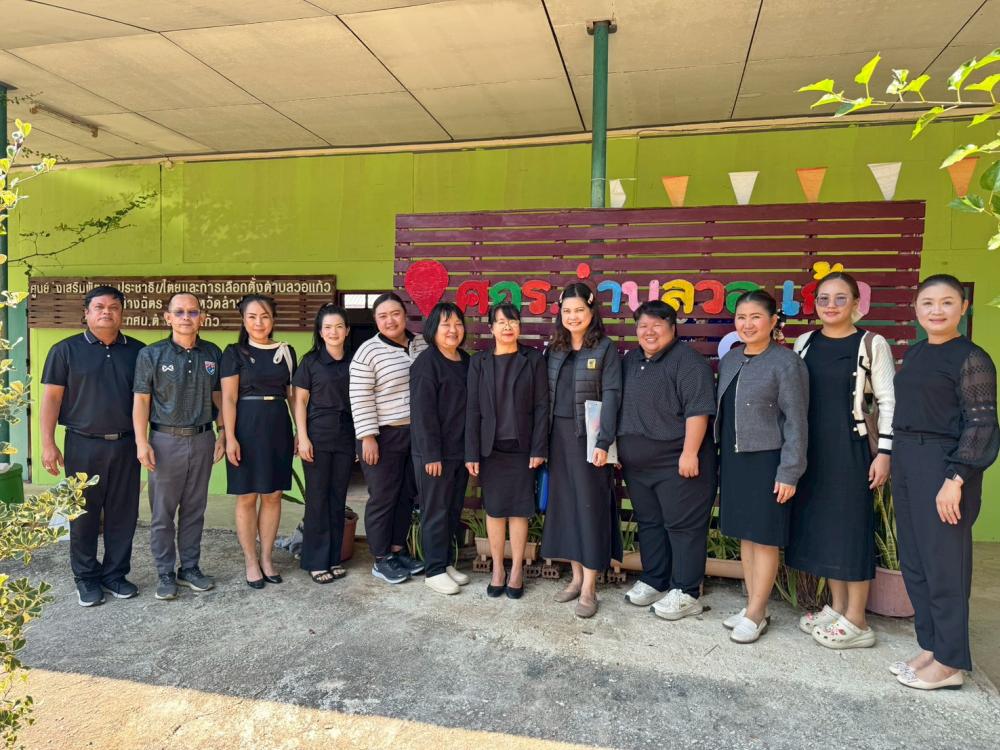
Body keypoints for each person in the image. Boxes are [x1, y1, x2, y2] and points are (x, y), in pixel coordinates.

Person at [890, 274, 997, 690]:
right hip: (907, 460)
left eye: (947, 302)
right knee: (915, 561)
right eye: (928, 303)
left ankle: (951, 663)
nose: (937, 310)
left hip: (944, 465)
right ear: (916, 309)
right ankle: (932, 646)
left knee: (945, 565)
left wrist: (956, 477)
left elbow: (982, 424)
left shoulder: (971, 358)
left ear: (963, 308)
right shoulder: (916, 353)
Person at [787, 272, 895, 649]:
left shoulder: (871, 343)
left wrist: (885, 453)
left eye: (840, 298)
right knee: (826, 530)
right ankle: (837, 607)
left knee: (851, 530)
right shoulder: (804, 342)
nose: (830, 306)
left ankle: (858, 620)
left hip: (851, 448)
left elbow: (887, 401)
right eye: (824, 299)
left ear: (855, 303)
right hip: (812, 449)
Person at [40, 285, 145, 607]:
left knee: (123, 514)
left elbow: (147, 400)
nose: (106, 312)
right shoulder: (65, 350)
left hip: (127, 445)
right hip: (82, 445)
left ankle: (115, 575)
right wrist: (48, 443)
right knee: (83, 514)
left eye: (113, 307)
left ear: (122, 313)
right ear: (86, 313)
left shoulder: (139, 352)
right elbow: (51, 399)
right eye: (99, 307)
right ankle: (85, 578)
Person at [716, 290, 808, 643]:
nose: (748, 324)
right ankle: (753, 606)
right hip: (736, 458)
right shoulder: (731, 359)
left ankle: (757, 613)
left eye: (756, 317)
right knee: (746, 534)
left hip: (769, 459)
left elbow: (796, 421)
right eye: (741, 317)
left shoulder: (786, 363)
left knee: (765, 537)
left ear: (772, 322)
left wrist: (789, 471)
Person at [618, 301, 717, 621]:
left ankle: (686, 591)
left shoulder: (689, 362)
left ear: (673, 328)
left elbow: (698, 410)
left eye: (656, 325)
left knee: (682, 526)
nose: (649, 332)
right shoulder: (631, 360)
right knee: (650, 522)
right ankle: (655, 579)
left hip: (677, 460)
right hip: (638, 464)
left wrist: (690, 453)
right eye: (643, 326)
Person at [133, 292, 225, 601]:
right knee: (163, 512)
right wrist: (141, 441)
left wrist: (223, 432)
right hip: (164, 441)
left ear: (202, 317)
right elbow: (141, 400)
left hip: (202, 439)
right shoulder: (151, 354)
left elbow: (218, 396)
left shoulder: (212, 353)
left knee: (195, 509)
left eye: (193, 312)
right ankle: (164, 572)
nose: (187, 317)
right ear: (168, 317)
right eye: (180, 312)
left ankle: (190, 568)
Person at [541, 282, 622, 619]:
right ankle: (575, 578)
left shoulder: (605, 348)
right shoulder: (555, 349)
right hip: (557, 438)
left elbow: (613, 395)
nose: (573, 316)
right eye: (567, 311)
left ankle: (590, 588)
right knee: (566, 508)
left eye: (579, 310)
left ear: (591, 312)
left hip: (589, 440)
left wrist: (604, 441)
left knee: (589, 509)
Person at [465, 303, 548, 599]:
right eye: (500, 322)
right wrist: (471, 452)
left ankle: (516, 571)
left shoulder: (533, 359)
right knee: (495, 510)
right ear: (491, 328)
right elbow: (472, 409)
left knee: (519, 511)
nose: (507, 326)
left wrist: (539, 447)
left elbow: (542, 406)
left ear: (519, 326)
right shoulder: (479, 362)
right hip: (491, 450)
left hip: (522, 448)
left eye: (512, 321)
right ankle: (498, 569)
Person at [349, 292, 427, 584]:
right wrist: (367, 437)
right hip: (382, 435)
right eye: (382, 316)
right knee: (383, 496)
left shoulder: (421, 343)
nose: (390, 320)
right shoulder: (367, 351)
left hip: (415, 433)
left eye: (395, 314)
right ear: (375, 320)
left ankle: (397, 550)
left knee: (406, 494)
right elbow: (359, 397)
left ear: (405, 315)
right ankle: (381, 558)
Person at [221, 294, 296, 589]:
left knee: (273, 495)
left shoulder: (286, 352)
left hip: (278, 427)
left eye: (264, 316)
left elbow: (292, 397)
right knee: (247, 496)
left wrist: (300, 433)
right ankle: (251, 561)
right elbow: (228, 398)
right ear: (243, 320)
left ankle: (267, 558)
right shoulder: (234, 353)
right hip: (245, 428)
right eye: (252, 317)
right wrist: (230, 437)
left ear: (273, 319)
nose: (259, 323)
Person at [410, 303, 472, 595]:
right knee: (435, 511)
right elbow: (423, 413)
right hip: (434, 454)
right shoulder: (427, 363)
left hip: (459, 451)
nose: (452, 330)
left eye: (458, 324)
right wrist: (431, 454)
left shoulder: (466, 360)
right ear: (433, 329)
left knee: (452, 509)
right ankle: (433, 571)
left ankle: (445, 563)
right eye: (446, 324)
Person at [293, 304, 355, 584]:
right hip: (317, 436)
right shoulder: (310, 362)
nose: (333, 332)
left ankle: (333, 557)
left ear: (347, 331)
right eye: (327, 327)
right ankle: (315, 561)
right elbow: (300, 401)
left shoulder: (355, 361)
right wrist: (303, 437)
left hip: (345, 436)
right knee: (317, 498)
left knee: (337, 498)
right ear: (320, 332)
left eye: (339, 326)